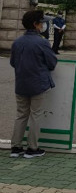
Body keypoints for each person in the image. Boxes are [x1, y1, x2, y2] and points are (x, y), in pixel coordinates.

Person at [9, 10, 59, 159]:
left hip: (21, 83)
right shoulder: (42, 42)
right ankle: (32, 148)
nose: (43, 25)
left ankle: (16, 147)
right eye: (42, 22)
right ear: (35, 24)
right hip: (38, 83)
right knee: (35, 115)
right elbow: (52, 62)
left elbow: (13, 62)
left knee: (21, 115)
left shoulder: (17, 42)